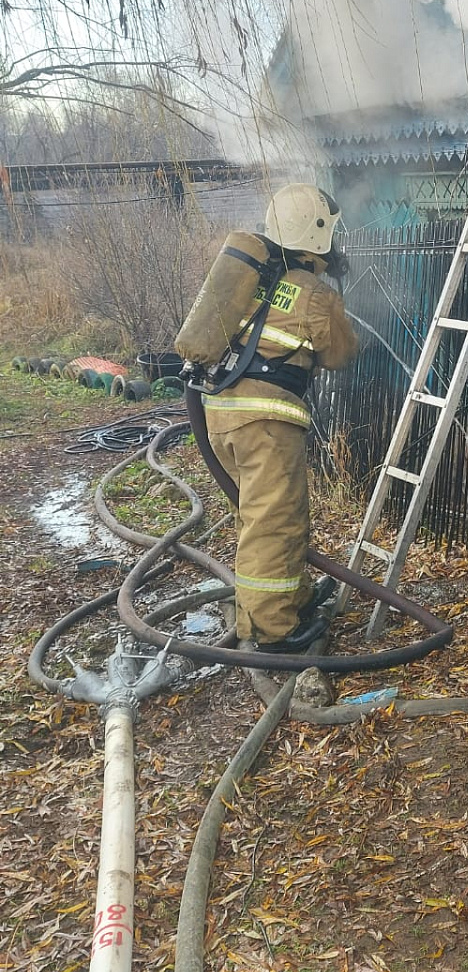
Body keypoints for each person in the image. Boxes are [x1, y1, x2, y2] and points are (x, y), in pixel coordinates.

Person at [176, 184, 358, 652]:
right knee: (273, 523)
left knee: (263, 517)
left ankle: (290, 598)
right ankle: (273, 631)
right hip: (266, 425)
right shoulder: (313, 293)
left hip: (221, 415)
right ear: (318, 234)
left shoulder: (254, 277)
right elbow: (339, 354)